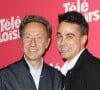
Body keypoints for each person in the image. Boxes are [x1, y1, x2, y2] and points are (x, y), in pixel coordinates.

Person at [0, 15, 64, 90]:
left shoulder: (57, 78)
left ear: (47, 42)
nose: (33, 43)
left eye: (38, 37)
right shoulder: (4, 77)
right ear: (21, 40)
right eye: (28, 37)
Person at [57, 11, 100, 90]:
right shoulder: (63, 73)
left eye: (69, 36)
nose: (62, 42)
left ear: (83, 39)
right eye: (60, 36)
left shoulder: (95, 69)